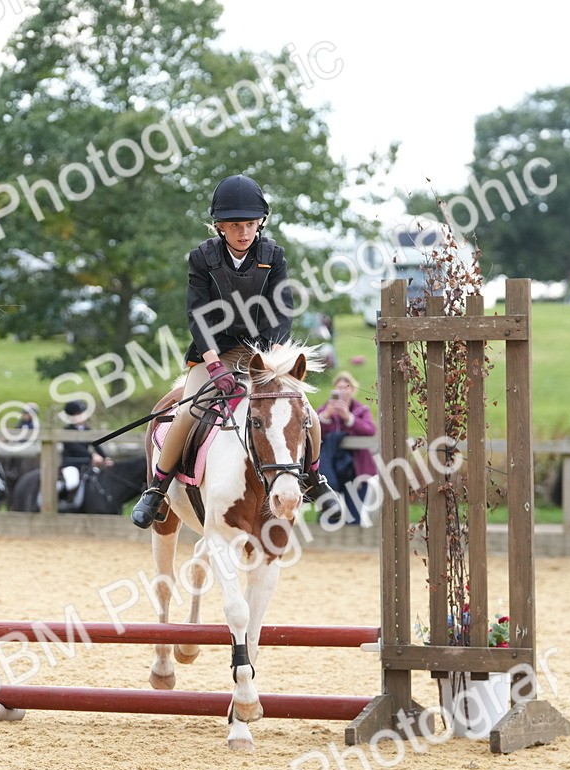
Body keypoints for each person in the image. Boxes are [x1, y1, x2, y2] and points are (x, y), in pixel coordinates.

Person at [131, 174, 338, 528]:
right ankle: (157, 489)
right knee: (187, 413)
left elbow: (281, 311)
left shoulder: (273, 256)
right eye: (235, 225)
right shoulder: (202, 258)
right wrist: (214, 367)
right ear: (220, 227)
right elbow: (197, 315)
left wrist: (273, 361)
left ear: (260, 223)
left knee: (306, 412)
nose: (244, 233)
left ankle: (315, 478)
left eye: (250, 224)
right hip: (215, 353)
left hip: (263, 355)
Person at [316, 372, 377, 525]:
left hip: (356, 470)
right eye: (339, 387)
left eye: (346, 387)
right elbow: (312, 431)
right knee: (328, 514)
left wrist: (349, 418)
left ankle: (354, 540)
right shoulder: (325, 409)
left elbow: (370, 430)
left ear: (352, 390)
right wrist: (326, 416)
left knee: (354, 516)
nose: (342, 391)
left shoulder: (361, 410)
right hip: (331, 470)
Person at [59, 399, 112, 471]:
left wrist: (105, 458)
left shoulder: (87, 429)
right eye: (77, 414)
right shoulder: (66, 430)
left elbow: (96, 444)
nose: (81, 416)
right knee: (71, 477)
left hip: (86, 463)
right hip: (71, 464)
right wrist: (92, 455)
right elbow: (76, 448)